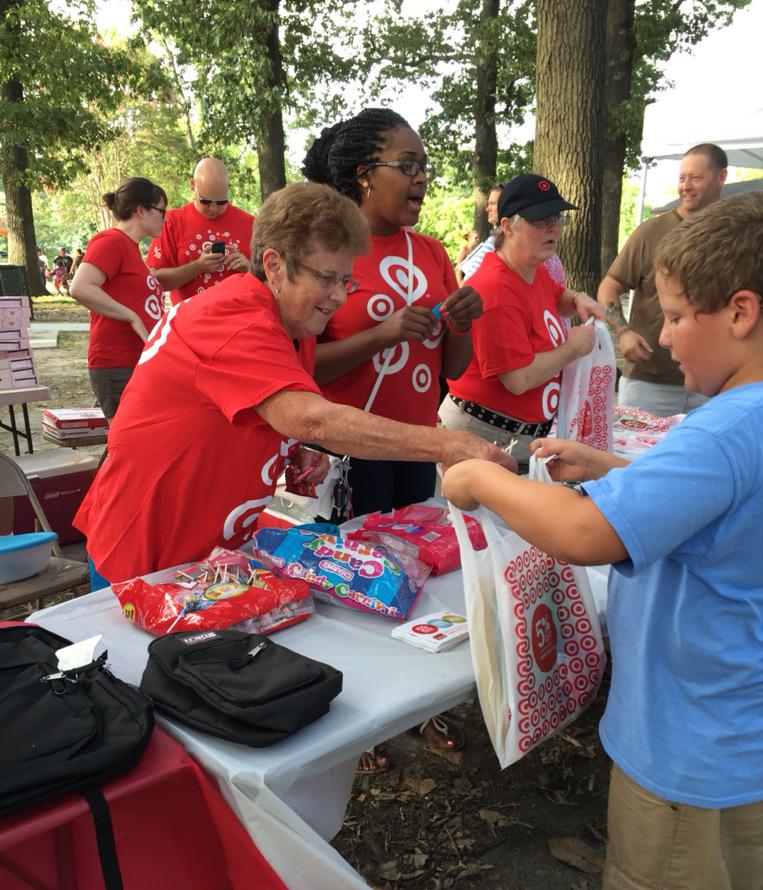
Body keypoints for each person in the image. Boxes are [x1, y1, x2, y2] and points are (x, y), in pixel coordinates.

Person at [443, 191, 763, 890]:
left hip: (689, 756)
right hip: (750, 735)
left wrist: (482, 479)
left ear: (741, 312)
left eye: (676, 315)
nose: (660, 339)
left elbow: (586, 535)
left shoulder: (729, 429)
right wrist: (619, 468)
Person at [74, 182, 515, 590]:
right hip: (144, 554)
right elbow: (311, 419)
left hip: (204, 554)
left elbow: (243, 409)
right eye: (326, 277)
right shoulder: (235, 318)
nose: (340, 296)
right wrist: (447, 445)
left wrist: (287, 448)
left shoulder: (293, 323)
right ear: (274, 265)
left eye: (346, 279)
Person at [303, 108, 483, 763]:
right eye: (406, 166)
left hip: (415, 447)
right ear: (362, 175)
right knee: (348, 588)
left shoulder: (433, 252)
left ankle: (413, 701)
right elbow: (301, 369)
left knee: (415, 579)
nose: (421, 179)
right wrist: (380, 333)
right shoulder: (326, 250)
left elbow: (455, 372)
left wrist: (462, 321)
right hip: (344, 457)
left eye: (424, 167)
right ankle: (356, 710)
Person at [438, 174, 603, 468]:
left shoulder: (530, 268)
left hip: (512, 438)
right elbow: (517, 379)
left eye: (557, 218)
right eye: (540, 221)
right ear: (507, 227)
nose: (553, 228)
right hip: (486, 438)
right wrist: (573, 349)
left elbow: (555, 295)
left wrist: (576, 298)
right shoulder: (495, 287)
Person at [597, 142, 728, 417]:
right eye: (682, 178)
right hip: (650, 382)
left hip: (713, 381)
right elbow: (609, 287)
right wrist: (623, 332)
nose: (686, 186)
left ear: (721, 177)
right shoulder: (651, 233)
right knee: (640, 459)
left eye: (696, 178)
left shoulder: (731, 235)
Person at [70, 177, 167, 420]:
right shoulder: (111, 241)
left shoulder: (132, 248)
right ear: (140, 210)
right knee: (132, 447)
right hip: (117, 363)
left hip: (136, 361)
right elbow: (80, 287)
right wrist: (131, 316)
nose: (165, 218)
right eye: (161, 210)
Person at [147, 157, 253, 306]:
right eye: (206, 201)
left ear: (228, 188)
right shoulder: (171, 222)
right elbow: (156, 280)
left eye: (222, 201)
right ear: (193, 185)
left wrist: (249, 269)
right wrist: (197, 267)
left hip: (239, 319)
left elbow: (271, 280)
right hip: (190, 322)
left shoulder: (250, 223)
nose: (214, 208)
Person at [459, 184, 503, 282]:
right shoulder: (496, 240)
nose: (487, 209)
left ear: (505, 206)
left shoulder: (497, 241)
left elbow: (469, 280)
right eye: (488, 204)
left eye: (492, 203)